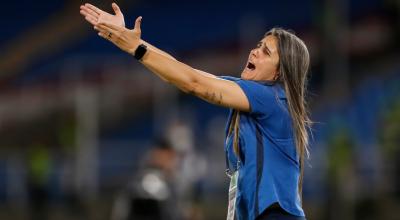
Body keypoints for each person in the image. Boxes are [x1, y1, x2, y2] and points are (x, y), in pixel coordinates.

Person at [80, 3, 311, 220]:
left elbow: (193, 82)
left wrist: (134, 47)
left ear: (280, 73)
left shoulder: (272, 97)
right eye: (258, 45)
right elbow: (185, 74)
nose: (254, 51)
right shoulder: (255, 97)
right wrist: (130, 41)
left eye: (266, 52)